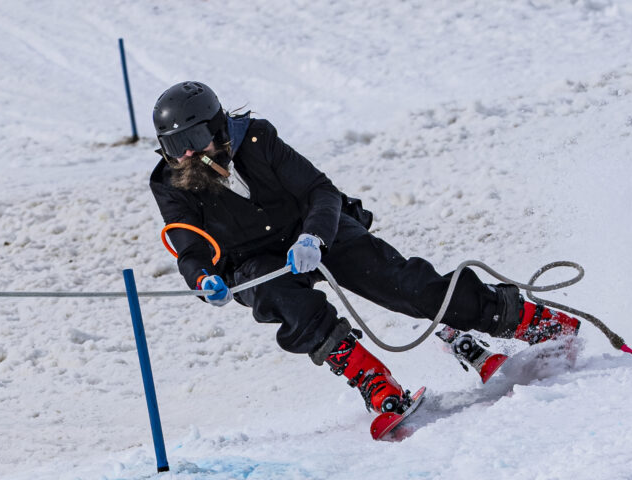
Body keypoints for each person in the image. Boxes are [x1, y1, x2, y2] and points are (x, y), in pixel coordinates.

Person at [149, 81, 580, 419]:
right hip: (252, 262)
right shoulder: (170, 183)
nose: (186, 153)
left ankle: (528, 320)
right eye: (174, 145)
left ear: (219, 127)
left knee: (406, 287)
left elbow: (321, 191)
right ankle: (374, 380)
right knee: (289, 304)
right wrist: (204, 279)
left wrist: (314, 237)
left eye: (196, 137)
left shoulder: (258, 140)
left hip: (311, 232)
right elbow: (189, 249)